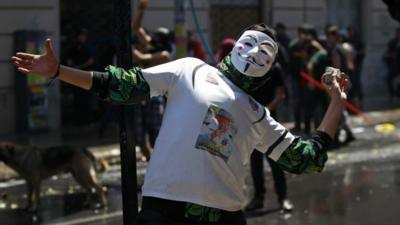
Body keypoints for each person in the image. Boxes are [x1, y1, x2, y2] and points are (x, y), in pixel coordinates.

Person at [12, 23, 347, 225]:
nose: (255, 51)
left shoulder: (258, 113)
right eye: (250, 42)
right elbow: (124, 84)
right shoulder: (192, 70)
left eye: (265, 52)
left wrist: (337, 103)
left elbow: (308, 158)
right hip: (164, 212)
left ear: (270, 66)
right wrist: (59, 71)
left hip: (224, 216)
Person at [245, 63, 294, 212]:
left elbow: (281, 94)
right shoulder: (249, 67)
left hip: (270, 121)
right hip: (252, 123)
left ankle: (283, 198)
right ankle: (258, 198)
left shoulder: (275, 69)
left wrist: (265, 111)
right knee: (256, 162)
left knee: (276, 160)